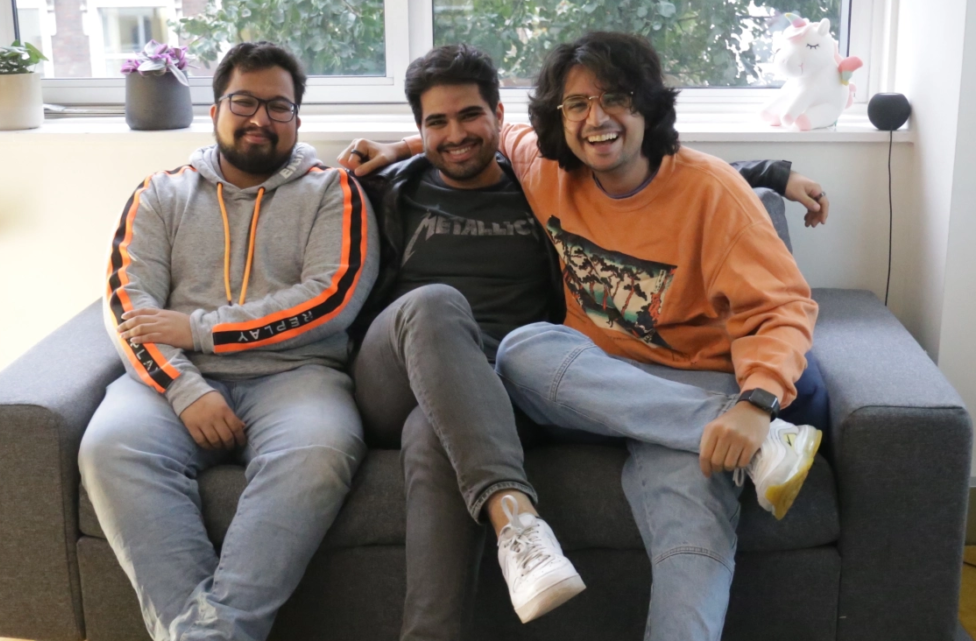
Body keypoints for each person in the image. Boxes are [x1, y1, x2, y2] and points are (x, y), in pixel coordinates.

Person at [339, 42, 828, 641]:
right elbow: (466, 134)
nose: (595, 119)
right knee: (522, 348)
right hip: (584, 376)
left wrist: (756, 403)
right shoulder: (542, 167)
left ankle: (742, 441)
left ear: (646, 107)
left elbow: (779, 306)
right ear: (558, 120)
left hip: (688, 377)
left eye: (615, 100)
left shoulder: (708, 191)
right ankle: (755, 443)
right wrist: (399, 149)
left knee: (692, 519)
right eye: (577, 105)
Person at [78, 41, 378, 641]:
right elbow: (127, 304)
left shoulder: (333, 191)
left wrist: (198, 327)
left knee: (319, 454)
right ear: (215, 108)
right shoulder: (159, 193)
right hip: (171, 382)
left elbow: (330, 298)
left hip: (296, 378)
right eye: (244, 101)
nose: (260, 119)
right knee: (111, 447)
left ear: (298, 118)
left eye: (279, 107)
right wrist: (183, 387)